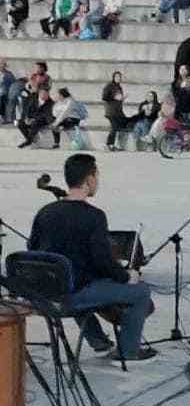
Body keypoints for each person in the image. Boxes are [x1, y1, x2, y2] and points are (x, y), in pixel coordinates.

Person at [27, 153, 157, 361]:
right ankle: (128, 351)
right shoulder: (94, 216)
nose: (98, 181)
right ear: (89, 180)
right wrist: (126, 276)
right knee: (141, 291)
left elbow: (32, 249)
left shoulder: (45, 212)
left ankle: (98, 341)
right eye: (97, 176)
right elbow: (102, 261)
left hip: (44, 294)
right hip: (71, 296)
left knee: (76, 280)